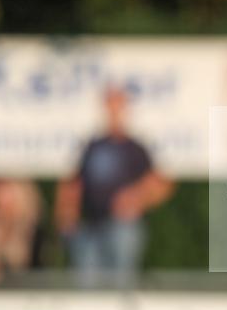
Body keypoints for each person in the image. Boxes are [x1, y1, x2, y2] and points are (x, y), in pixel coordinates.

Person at [55, 86, 173, 288]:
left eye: (118, 107)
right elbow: (73, 183)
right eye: (110, 107)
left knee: (121, 278)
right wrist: (67, 214)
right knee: (87, 281)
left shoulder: (135, 148)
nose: (114, 113)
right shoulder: (93, 146)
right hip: (92, 224)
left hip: (122, 227)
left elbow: (162, 183)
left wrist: (137, 198)